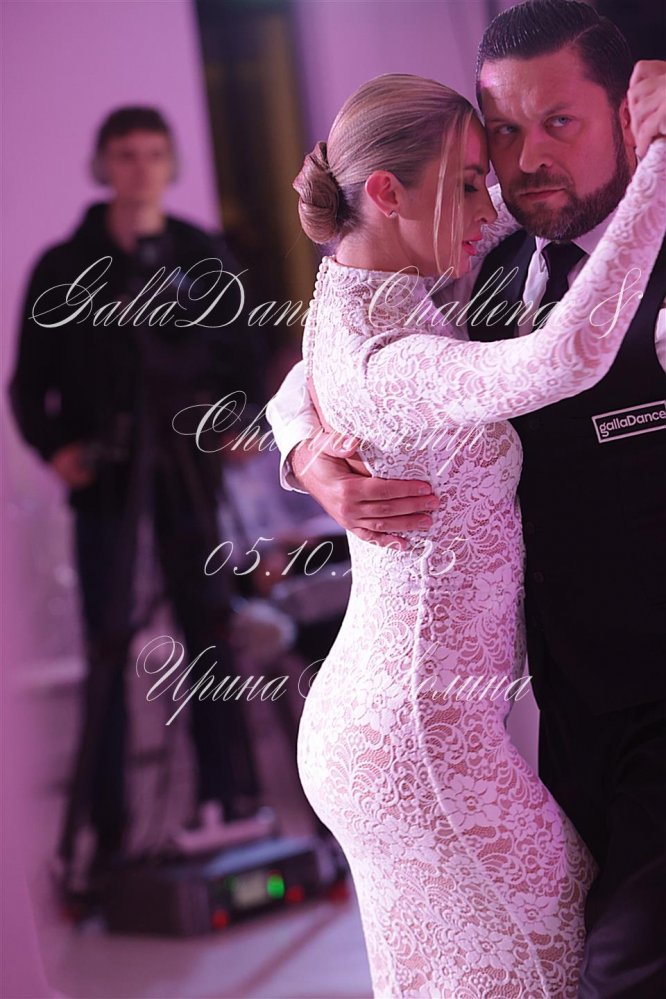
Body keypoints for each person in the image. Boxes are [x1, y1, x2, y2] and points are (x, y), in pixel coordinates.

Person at [267, 5, 666, 996]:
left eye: (558, 123)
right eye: (503, 131)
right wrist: (307, 451)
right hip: (563, 717)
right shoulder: (485, 270)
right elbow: (344, 359)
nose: (524, 161)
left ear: (629, 115)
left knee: (614, 971)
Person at [8, 106, 266, 898]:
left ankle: (232, 801)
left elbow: (244, 355)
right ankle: (108, 834)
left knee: (209, 629)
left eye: (155, 153)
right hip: (109, 480)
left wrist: (237, 420)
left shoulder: (201, 253)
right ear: (103, 164)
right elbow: (27, 381)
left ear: (171, 163)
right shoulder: (64, 264)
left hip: (190, 470)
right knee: (108, 644)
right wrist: (57, 450)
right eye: (125, 154)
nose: (141, 168)